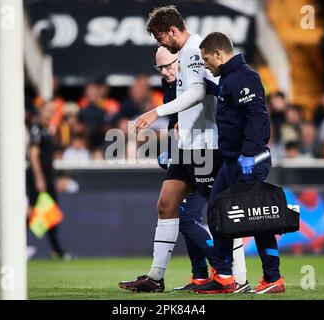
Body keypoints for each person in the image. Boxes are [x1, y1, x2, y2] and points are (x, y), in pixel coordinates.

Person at [119, 6, 249, 293]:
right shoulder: (189, 52)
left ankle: (237, 277)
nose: (160, 43)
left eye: (159, 37)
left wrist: (157, 112)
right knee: (166, 204)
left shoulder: (193, 49)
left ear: (172, 30)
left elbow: (198, 91)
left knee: (221, 213)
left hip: (207, 146)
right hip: (189, 146)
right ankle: (155, 278)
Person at [194, 32, 284, 294]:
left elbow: (257, 117)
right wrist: (206, 86)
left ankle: (273, 278)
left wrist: (250, 153)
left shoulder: (245, 77)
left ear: (219, 54)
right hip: (232, 162)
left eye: (206, 58)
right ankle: (224, 276)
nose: (205, 63)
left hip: (249, 160)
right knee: (216, 212)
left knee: (256, 219)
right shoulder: (228, 80)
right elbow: (229, 99)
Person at [155, 46, 215, 291]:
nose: (165, 71)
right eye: (160, 67)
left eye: (169, 65)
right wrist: (171, 151)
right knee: (184, 216)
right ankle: (200, 276)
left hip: (205, 154)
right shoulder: (170, 86)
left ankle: (224, 269)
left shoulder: (197, 81)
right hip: (186, 155)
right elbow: (176, 122)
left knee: (188, 218)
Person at [27, 101, 69, 259]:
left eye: (52, 111)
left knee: (50, 213)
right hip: (38, 177)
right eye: (48, 110)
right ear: (40, 112)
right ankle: (14, 245)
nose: (51, 113)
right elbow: (33, 155)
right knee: (32, 212)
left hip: (47, 177)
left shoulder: (46, 130)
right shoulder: (37, 129)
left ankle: (56, 250)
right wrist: (39, 178)